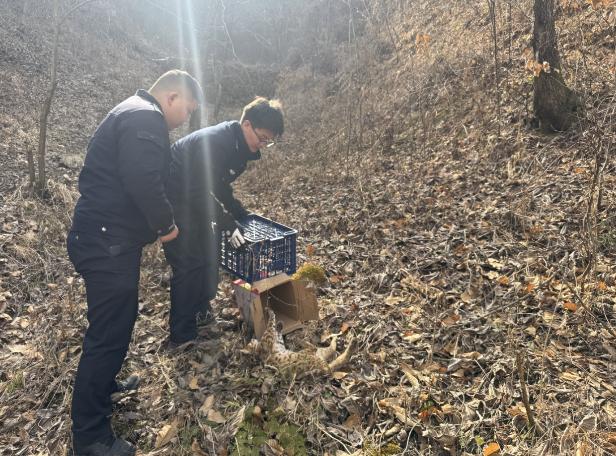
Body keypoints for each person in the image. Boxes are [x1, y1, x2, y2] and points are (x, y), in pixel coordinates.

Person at [67, 70, 202, 456]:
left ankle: (104, 387)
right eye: (187, 110)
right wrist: (167, 226)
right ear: (172, 97)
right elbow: (143, 180)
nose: (185, 120)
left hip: (106, 238)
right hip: (105, 240)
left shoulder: (133, 110)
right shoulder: (146, 117)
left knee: (116, 324)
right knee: (108, 334)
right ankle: (89, 437)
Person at [164, 97, 284, 347]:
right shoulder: (217, 142)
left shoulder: (239, 149)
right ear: (247, 124)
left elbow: (218, 185)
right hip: (174, 195)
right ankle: (182, 337)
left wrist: (239, 213)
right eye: (262, 138)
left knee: (209, 254)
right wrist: (227, 223)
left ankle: (200, 311)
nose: (263, 145)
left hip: (193, 195)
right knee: (190, 263)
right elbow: (198, 189)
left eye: (268, 141)